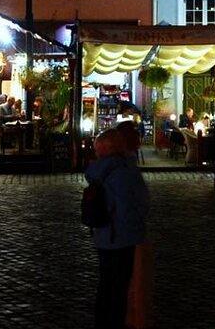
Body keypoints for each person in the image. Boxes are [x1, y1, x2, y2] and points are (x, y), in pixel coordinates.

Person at [86, 125, 149, 329]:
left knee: (106, 285)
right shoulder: (123, 172)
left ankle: (103, 322)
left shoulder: (99, 172)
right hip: (122, 236)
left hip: (103, 235)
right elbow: (130, 205)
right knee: (118, 287)